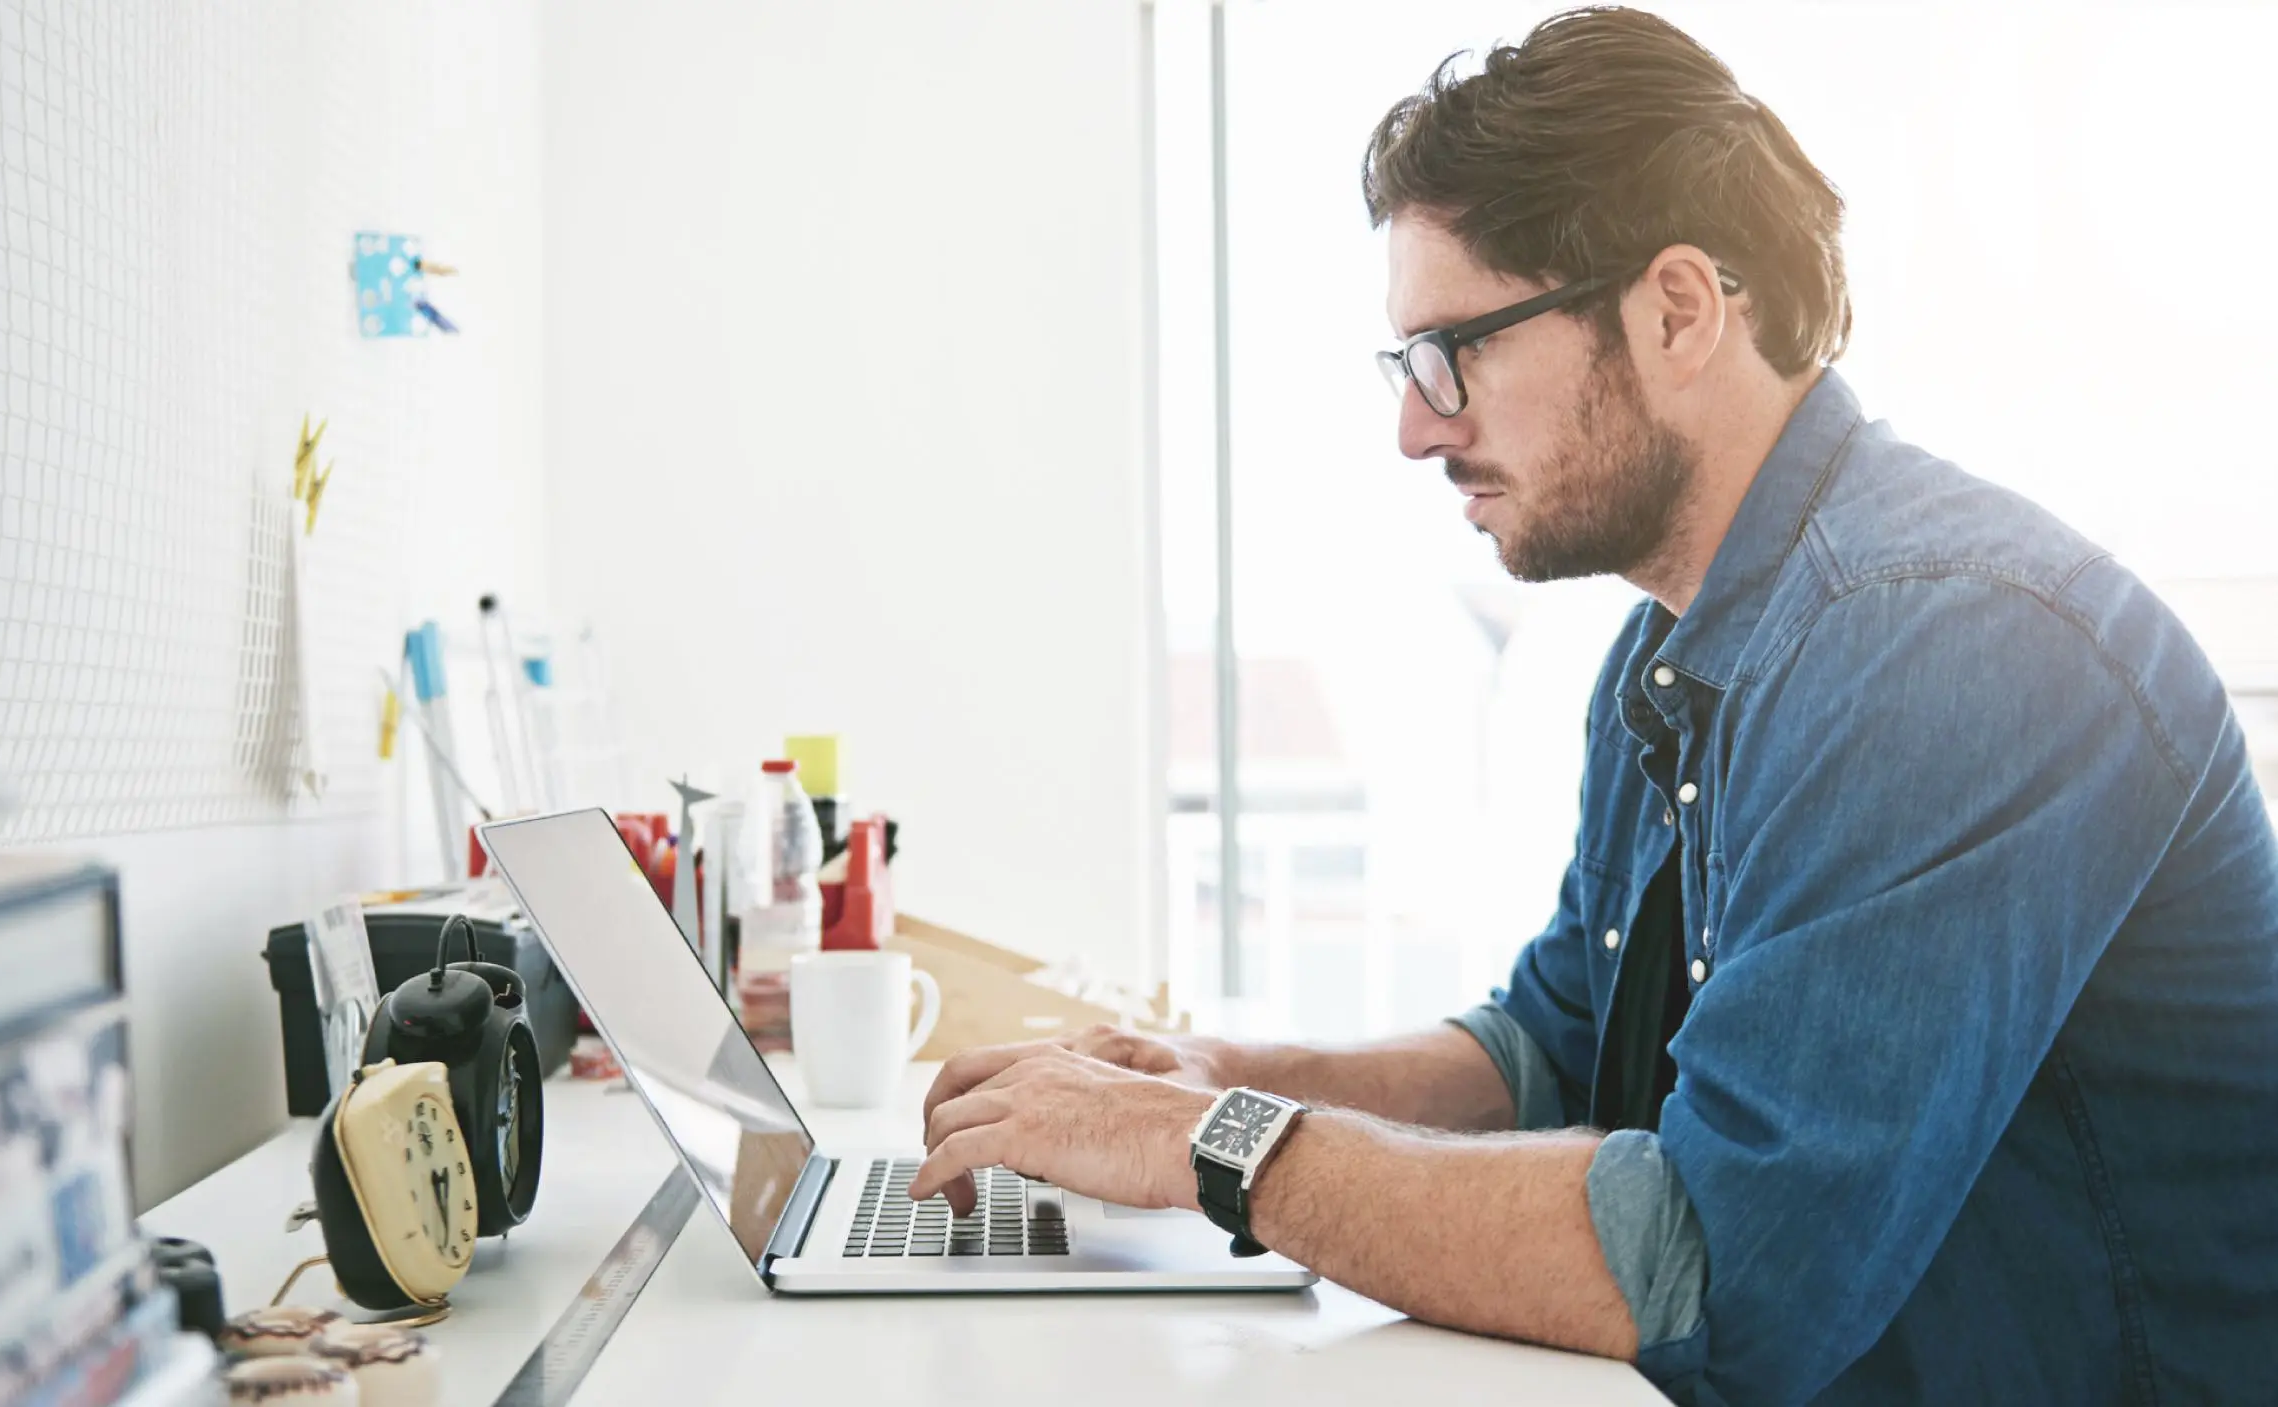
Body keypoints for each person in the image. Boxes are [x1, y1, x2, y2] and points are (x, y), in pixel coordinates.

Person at [903, 8, 2278, 1403]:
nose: (1417, 427)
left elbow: (1708, 1264)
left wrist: (1217, 1140)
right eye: (1407, 365)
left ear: (1677, 310)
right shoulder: (1675, 653)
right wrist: (1214, 1070)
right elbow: (1552, 1048)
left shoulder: (1953, 649)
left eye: (1459, 350)